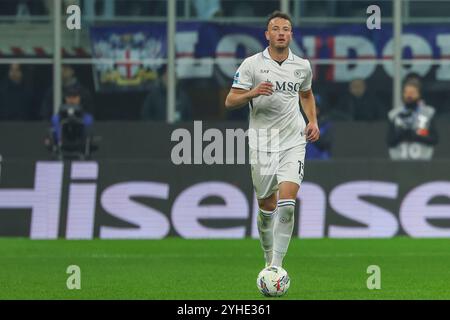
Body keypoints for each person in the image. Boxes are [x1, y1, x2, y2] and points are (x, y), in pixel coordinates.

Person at [225, 11, 320, 268]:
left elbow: (307, 95)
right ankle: (268, 257)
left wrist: (312, 121)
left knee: (287, 205)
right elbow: (230, 100)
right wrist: (253, 92)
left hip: (293, 140)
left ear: (291, 34)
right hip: (263, 142)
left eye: (286, 29)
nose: (281, 33)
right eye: (276, 29)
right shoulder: (251, 65)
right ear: (267, 35)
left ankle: (276, 266)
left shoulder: (302, 66)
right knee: (267, 208)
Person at [387, 80, 439, 160]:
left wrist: (416, 134)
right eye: (406, 93)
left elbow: (434, 139)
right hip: (399, 162)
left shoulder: (426, 114)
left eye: (412, 93)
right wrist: (402, 134)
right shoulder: (395, 115)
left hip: (422, 162)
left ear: (419, 95)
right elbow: (390, 141)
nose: (409, 96)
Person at [305, 94, 332, 160]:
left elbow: (325, 143)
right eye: (310, 107)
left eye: (315, 107)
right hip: (305, 161)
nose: (313, 110)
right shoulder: (302, 122)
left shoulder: (326, 124)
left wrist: (311, 133)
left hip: (321, 161)